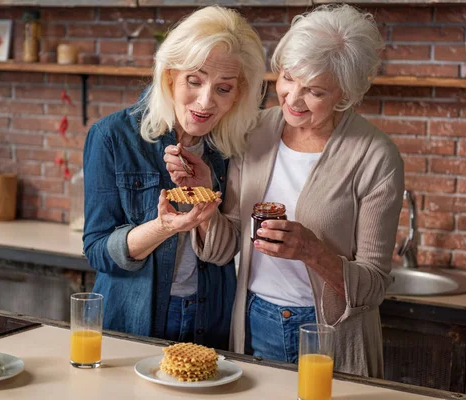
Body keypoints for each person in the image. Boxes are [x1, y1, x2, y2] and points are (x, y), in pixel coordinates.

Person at [175, 4, 404, 377]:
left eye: (314, 91)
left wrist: (312, 252)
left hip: (328, 336)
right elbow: (225, 245)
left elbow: (373, 286)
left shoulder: (375, 156)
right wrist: (205, 204)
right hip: (252, 322)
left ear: (344, 93)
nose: (292, 99)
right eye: (287, 77)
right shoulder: (255, 131)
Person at [82, 6, 266, 350]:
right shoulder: (112, 136)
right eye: (193, 81)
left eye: (223, 89)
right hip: (132, 322)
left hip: (211, 318)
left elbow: (227, 250)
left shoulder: (233, 147)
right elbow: (97, 251)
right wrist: (164, 226)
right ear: (169, 76)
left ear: (238, 93)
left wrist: (207, 196)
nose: (205, 102)